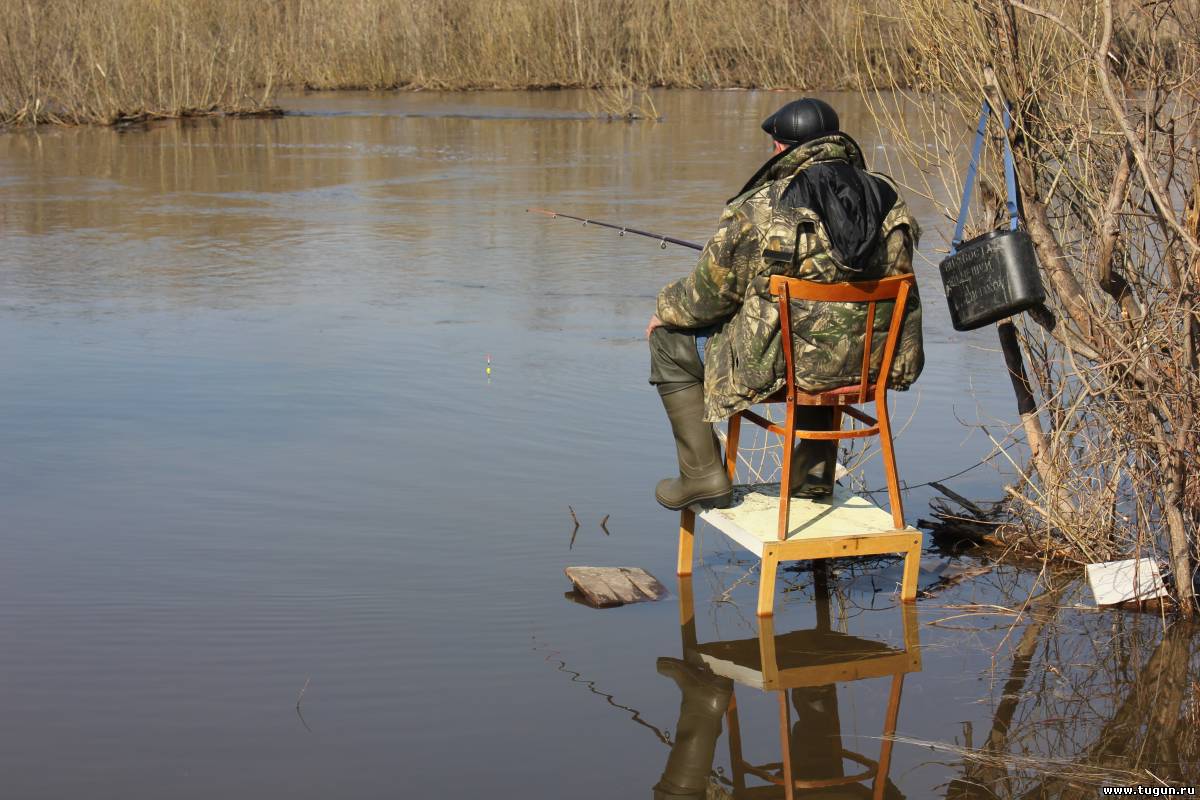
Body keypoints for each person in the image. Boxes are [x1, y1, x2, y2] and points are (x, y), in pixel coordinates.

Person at [646, 98, 924, 510]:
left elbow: (704, 300)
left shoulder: (763, 206)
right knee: (831, 333)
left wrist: (663, 308)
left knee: (668, 342)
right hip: (869, 365)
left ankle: (702, 476)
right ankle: (812, 477)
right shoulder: (888, 198)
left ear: (780, 148)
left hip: (782, 368)